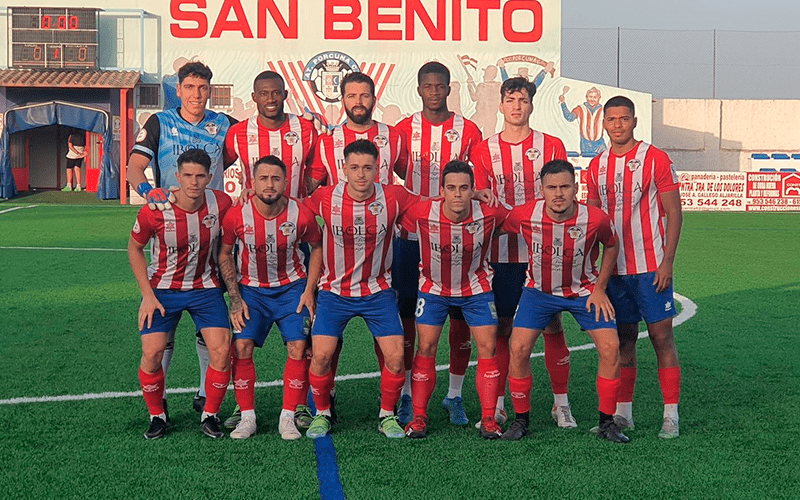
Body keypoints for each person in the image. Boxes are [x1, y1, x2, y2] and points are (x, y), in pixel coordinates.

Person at [127, 61, 237, 414]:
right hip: (169, 222)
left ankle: (206, 394)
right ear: (179, 89)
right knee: (166, 315)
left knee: (212, 319)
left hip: (212, 227)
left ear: (210, 90)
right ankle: (158, 403)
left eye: (202, 88)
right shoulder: (160, 122)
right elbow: (134, 167)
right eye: (189, 87)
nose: (196, 95)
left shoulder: (223, 125)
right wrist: (147, 190)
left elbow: (253, 147)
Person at [472, 77, 577, 429]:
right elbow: (486, 203)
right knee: (503, 328)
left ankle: (560, 404)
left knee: (551, 324)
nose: (517, 106)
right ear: (500, 106)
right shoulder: (484, 150)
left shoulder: (551, 145)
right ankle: (500, 403)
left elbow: (563, 198)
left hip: (546, 251)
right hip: (501, 253)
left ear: (532, 105)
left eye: (523, 100)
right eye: (510, 99)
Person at [499, 159, 628, 443]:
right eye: (552, 187)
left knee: (611, 346)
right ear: (541, 190)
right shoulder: (524, 215)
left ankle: (607, 422)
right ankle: (522, 420)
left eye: (565, 187)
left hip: (584, 292)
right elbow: (494, 226)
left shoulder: (595, 218)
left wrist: (600, 288)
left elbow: (612, 244)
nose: (558, 193)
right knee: (518, 347)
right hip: (539, 294)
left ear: (575, 188)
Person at [301, 139, 415, 440]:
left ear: (378, 169)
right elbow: (289, 210)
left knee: (395, 357)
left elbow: (433, 207)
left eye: (367, 168)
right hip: (334, 293)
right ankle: (322, 413)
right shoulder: (325, 196)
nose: (361, 175)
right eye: (354, 168)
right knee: (322, 355)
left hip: (378, 292)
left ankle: (387, 415)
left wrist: (475, 197)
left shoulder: (394, 196)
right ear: (344, 169)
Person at [392, 62, 484, 426]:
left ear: (449, 88)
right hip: (413, 237)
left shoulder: (468, 130)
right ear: (418, 90)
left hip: (459, 237)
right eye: (427, 86)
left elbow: (476, 179)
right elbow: (397, 172)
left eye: (440, 85)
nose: (434, 91)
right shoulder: (403, 131)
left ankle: (454, 395)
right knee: (409, 316)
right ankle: (407, 394)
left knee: (460, 318)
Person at [586, 96, 683, 439]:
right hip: (614, 272)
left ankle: (670, 414)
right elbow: (593, 221)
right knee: (624, 340)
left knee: (661, 337)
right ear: (604, 123)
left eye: (623, 118)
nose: (617, 125)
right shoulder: (595, 166)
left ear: (634, 121)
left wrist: (667, 262)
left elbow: (674, 212)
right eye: (611, 119)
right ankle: (624, 414)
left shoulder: (654, 158)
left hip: (650, 267)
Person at [127, 148, 233, 439]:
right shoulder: (155, 208)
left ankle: (210, 414)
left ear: (210, 177)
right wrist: (147, 295)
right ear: (177, 176)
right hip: (162, 289)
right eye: (187, 175)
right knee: (152, 352)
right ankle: (157, 415)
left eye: (200, 176)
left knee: (222, 351)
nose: (194, 182)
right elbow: (134, 248)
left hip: (205, 289)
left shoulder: (221, 202)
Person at [402, 161, 508, 439]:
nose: (458, 194)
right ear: (442, 191)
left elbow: (515, 220)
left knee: (488, 346)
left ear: (473, 190)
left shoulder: (489, 211)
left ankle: (488, 419)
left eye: (464, 188)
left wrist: (479, 197)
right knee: (425, 346)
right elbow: (396, 210)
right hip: (434, 290)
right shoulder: (422, 212)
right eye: (451, 188)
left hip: (476, 289)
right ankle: (419, 417)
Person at [218, 155, 323, 440]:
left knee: (299, 347)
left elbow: (317, 247)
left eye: (276, 178)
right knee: (242, 348)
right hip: (251, 291)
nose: (269, 184)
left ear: (286, 182)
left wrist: (309, 289)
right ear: (252, 182)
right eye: (263, 178)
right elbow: (225, 253)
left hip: (291, 289)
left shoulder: (300, 213)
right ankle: (247, 416)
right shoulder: (237, 214)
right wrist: (235, 298)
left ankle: (288, 416)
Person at [307, 72, 408, 193]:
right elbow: (308, 184)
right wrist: (301, 125)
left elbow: (408, 174)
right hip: (340, 211)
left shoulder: (394, 136)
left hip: (382, 211)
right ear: (343, 101)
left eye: (364, 96)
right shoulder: (327, 139)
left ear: (374, 100)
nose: (358, 102)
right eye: (352, 96)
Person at [224, 71, 318, 200]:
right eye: (263, 94)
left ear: (285, 94)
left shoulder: (305, 128)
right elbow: (217, 166)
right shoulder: (238, 132)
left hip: (295, 214)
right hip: (252, 214)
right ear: (254, 97)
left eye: (276, 93)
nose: (270, 99)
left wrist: (301, 190)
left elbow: (318, 167)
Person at [559, 87, 606, 156]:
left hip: (600, 143)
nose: (592, 99)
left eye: (595, 97)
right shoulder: (580, 108)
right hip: (586, 143)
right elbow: (569, 117)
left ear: (599, 98)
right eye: (590, 97)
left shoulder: (604, 110)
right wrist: (563, 103)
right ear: (586, 97)